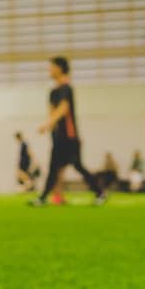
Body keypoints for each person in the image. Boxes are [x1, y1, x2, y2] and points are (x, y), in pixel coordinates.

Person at [30, 56, 106, 207]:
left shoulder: (66, 89)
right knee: (53, 168)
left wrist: (47, 124)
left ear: (59, 68)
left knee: (77, 166)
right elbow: (52, 112)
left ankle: (100, 192)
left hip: (70, 136)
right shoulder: (53, 92)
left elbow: (63, 109)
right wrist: (50, 127)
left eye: (51, 67)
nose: (49, 70)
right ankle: (44, 197)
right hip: (58, 136)